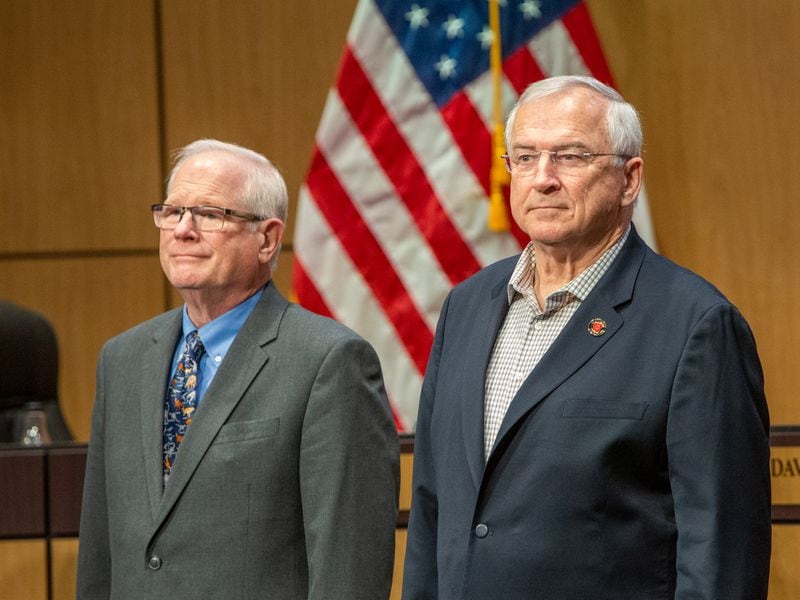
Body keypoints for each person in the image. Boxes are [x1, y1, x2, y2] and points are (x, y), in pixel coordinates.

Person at [402, 76, 770, 599]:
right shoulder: (467, 305)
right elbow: (433, 504)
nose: (542, 178)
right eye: (524, 157)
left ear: (629, 178)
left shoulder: (697, 324)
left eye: (571, 156)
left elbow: (721, 550)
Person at [77, 139, 399, 599]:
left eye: (209, 214)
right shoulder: (122, 359)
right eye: (172, 212)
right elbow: (99, 556)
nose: (183, 230)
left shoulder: (329, 360)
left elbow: (349, 570)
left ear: (267, 238)